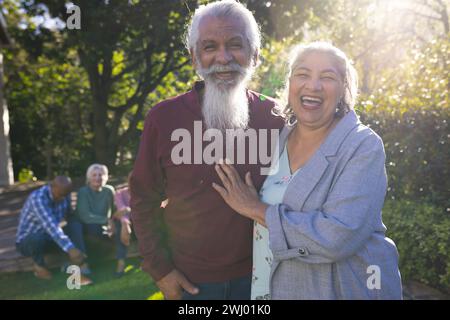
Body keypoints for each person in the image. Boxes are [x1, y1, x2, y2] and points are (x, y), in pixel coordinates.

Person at [212, 42, 403, 299]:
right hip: (270, 288)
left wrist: (256, 209)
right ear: (290, 83)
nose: (313, 85)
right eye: (302, 74)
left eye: (327, 77)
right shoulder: (277, 138)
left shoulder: (362, 145)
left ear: (343, 88)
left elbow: (338, 236)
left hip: (338, 289)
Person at [130, 0, 284, 300]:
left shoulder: (277, 117)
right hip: (192, 284)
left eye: (235, 45)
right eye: (210, 46)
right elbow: (142, 198)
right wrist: (159, 269)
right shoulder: (163, 118)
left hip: (265, 278)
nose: (223, 58)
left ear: (255, 54)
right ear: (194, 57)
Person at [16, 176, 90, 284]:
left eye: (65, 195)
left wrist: (77, 247)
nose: (62, 199)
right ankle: (39, 265)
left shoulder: (65, 194)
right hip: (28, 242)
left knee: (75, 224)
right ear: (52, 187)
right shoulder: (38, 198)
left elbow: (70, 216)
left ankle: (78, 263)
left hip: (50, 238)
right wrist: (70, 249)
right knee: (36, 238)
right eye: (60, 195)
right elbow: (51, 227)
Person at [69, 164, 125, 276]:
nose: (98, 177)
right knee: (91, 229)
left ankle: (121, 262)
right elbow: (85, 216)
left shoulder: (109, 190)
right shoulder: (83, 192)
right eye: (94, 175)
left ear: (106, 177)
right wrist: (107, 220)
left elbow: (114, 210)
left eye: (101, 174)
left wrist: (118, 218)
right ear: (89, 178)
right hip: (84, 225)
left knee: (120, 225)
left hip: (102, 225)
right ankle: (82, 263)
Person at [112, 173, 133, 276]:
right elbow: (121, 210)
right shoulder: (119, 193)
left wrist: (128, 210)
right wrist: (126, 224)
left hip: (141, 224)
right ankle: (121, 262)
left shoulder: (145, 193)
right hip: (123, 224)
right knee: (119, 226)